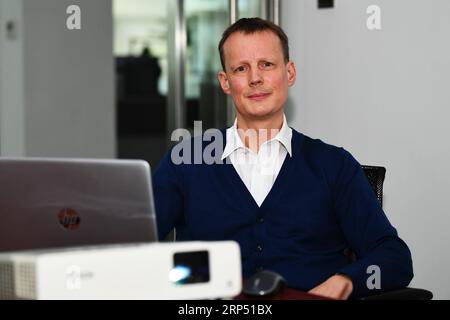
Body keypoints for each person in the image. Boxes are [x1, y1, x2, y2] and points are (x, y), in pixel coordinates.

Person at [153, 18, 413, 300]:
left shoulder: (333, 165)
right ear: (225, 82)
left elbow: (394, 257)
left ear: (289, 73)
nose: (255, 78)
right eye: (241, 68)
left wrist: (345, 281)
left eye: (267, 64)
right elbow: (133, 248)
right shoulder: (186, 163)